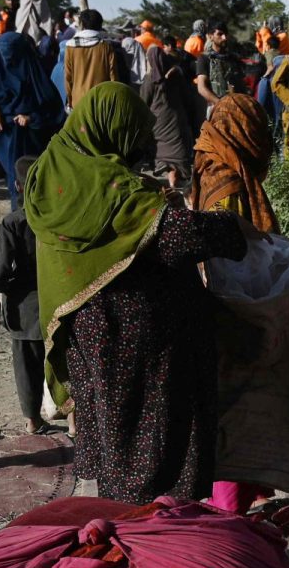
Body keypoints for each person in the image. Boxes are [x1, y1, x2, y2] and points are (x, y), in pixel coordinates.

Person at [28, 81, 250, 502]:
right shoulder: (112, 190)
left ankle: (127, 521)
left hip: (92, 336)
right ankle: (150, 536)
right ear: (113, 128)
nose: (146, 141)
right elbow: (177, 236)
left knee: (117, 435)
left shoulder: (57, 174)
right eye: (137, 130)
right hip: (137, 342)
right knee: (147, 449)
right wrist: (232, 228)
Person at [0, 157, 50, 433]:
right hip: (56, 298)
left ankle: (32, 419)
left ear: (17, 186)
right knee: (61, 360)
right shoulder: (58, 219)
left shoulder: (14, 221)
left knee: (26, 363)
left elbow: (2, 262)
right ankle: (73, 420)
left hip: (23, 303)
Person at [0, 30, 65, 208]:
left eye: (10, 52)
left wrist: (32, 119)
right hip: (9, 142)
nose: (7, 58)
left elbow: (55, 113)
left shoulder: (38, 81)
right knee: (15, 186)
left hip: (33, 144)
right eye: (3, 52)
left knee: (35, 185)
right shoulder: (1, 77)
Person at [191, 91, 276, 228]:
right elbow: (230, 242)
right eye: (258, 128)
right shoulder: (229, 185)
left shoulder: (212, 164)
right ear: (244, 131)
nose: (265, 138)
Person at [139, 38, 196, 188]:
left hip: (158, 124)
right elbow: (187, 97)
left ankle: (171, 187)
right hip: (177, 122)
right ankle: (174, 183)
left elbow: (144, 101)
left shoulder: (150, 79)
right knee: (176, 157)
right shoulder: (176, 75)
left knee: (163, 157)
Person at [61, 9, 122, 109]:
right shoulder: (106, 47)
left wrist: (70, 100)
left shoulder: (70, 46)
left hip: (78, 102)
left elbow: (68, 77)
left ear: (82, 25)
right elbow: (113, 77)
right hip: (102, 101)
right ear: (100, 26)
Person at [191, 24, 240, 105]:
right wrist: (220, 103)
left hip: (235, 105)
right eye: (220, 34)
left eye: (225, 34)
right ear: (211, 37)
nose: (224, 38)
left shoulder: (232, 58)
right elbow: (201, 88)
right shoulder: (204, 58)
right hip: (215, 107)